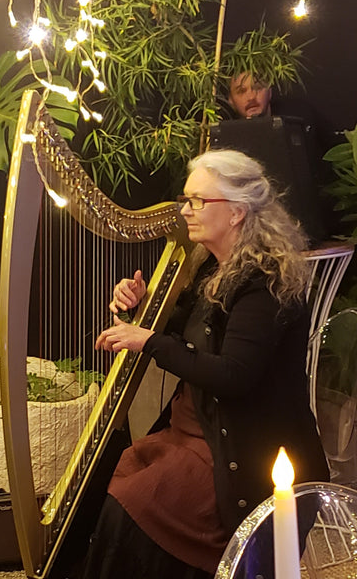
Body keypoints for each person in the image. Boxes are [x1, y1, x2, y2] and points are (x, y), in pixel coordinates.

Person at [86, 149, 329, 579]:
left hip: (240, 448)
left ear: (236, 212)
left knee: (138, 499)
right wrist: (142, 306)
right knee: (122, 484)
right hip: (200, 429)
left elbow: (233, 375)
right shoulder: (214, 269)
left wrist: (150, 341)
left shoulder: (264, 279)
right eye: (186, 199)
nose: (185, 211)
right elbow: (197, 328)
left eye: (197, 201)